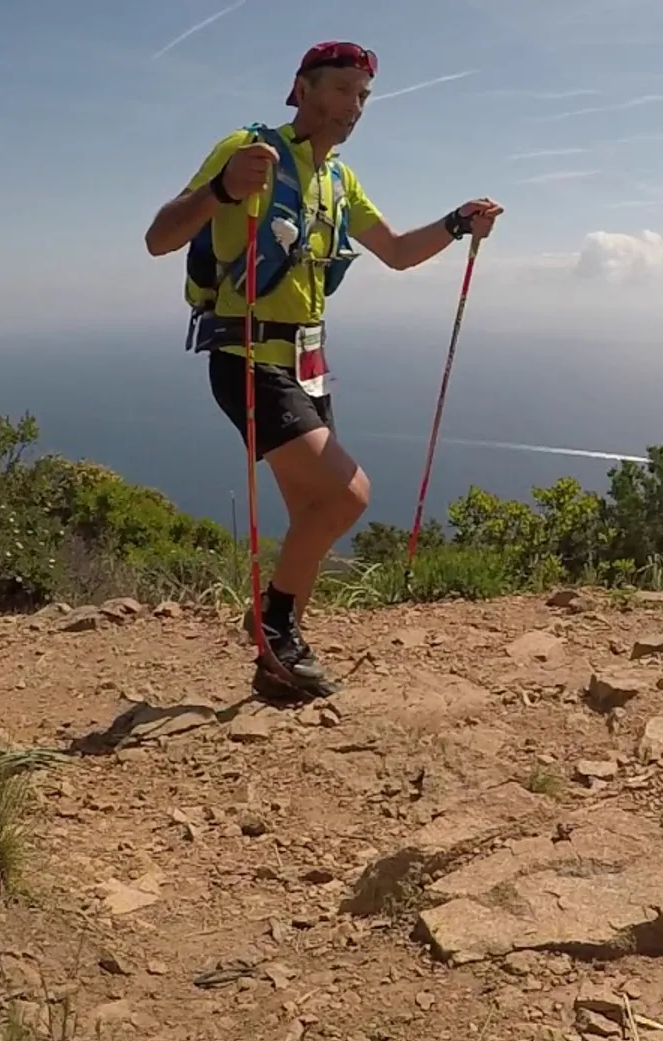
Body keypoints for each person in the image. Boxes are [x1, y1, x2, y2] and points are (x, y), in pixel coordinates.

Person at [143, 41, 502, 701]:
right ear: (302, 89)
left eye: (362, 96)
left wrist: (456, 224)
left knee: (314, 508)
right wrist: (223, 189)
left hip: (307, 365)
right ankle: (272, 622)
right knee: (347, 495)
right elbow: (160, 237)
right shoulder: (248, 150)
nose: (353, 107)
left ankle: (279, 662)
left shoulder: (340, 180)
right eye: (341, 89)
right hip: (246, 357)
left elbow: (394, 252)